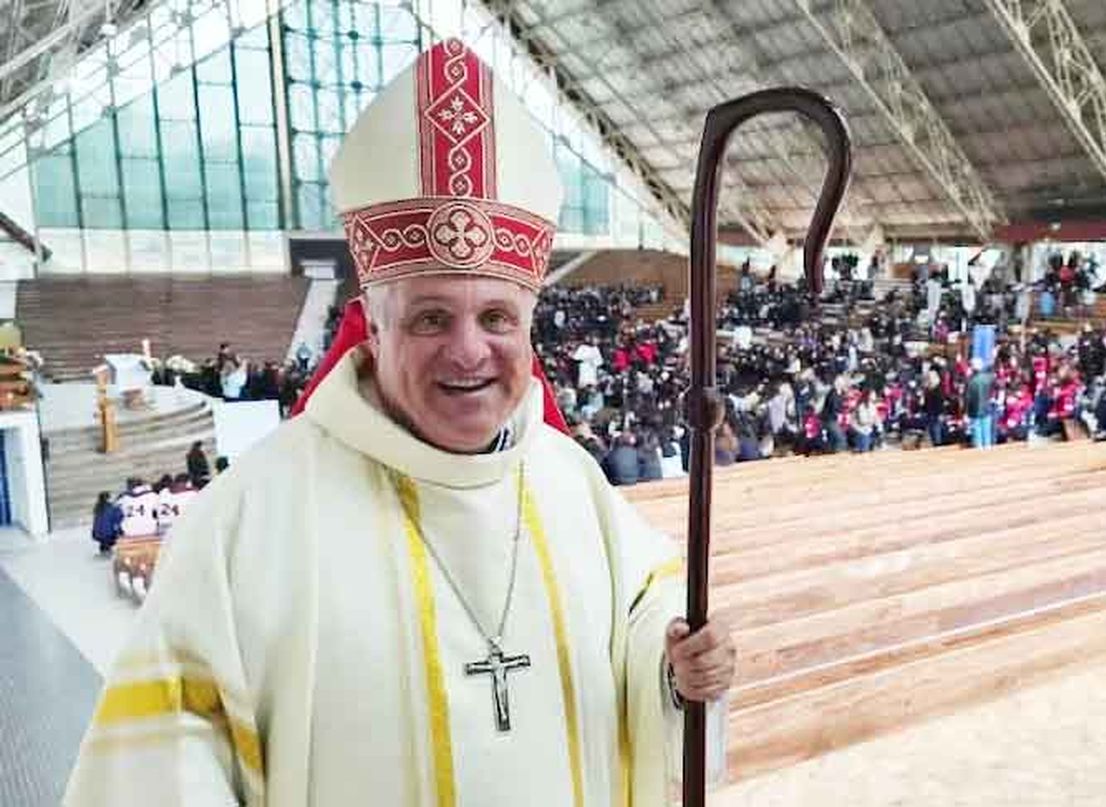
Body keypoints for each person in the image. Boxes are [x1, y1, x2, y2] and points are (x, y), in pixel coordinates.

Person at [65, 42, 732, 807]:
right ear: (373, 328)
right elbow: (166, 759)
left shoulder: (569, 479)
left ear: (531, 328)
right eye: (430, 317)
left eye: (495, 316)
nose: (469, 350)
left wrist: (679, 669)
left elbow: (652, 611)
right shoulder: (249, 517)